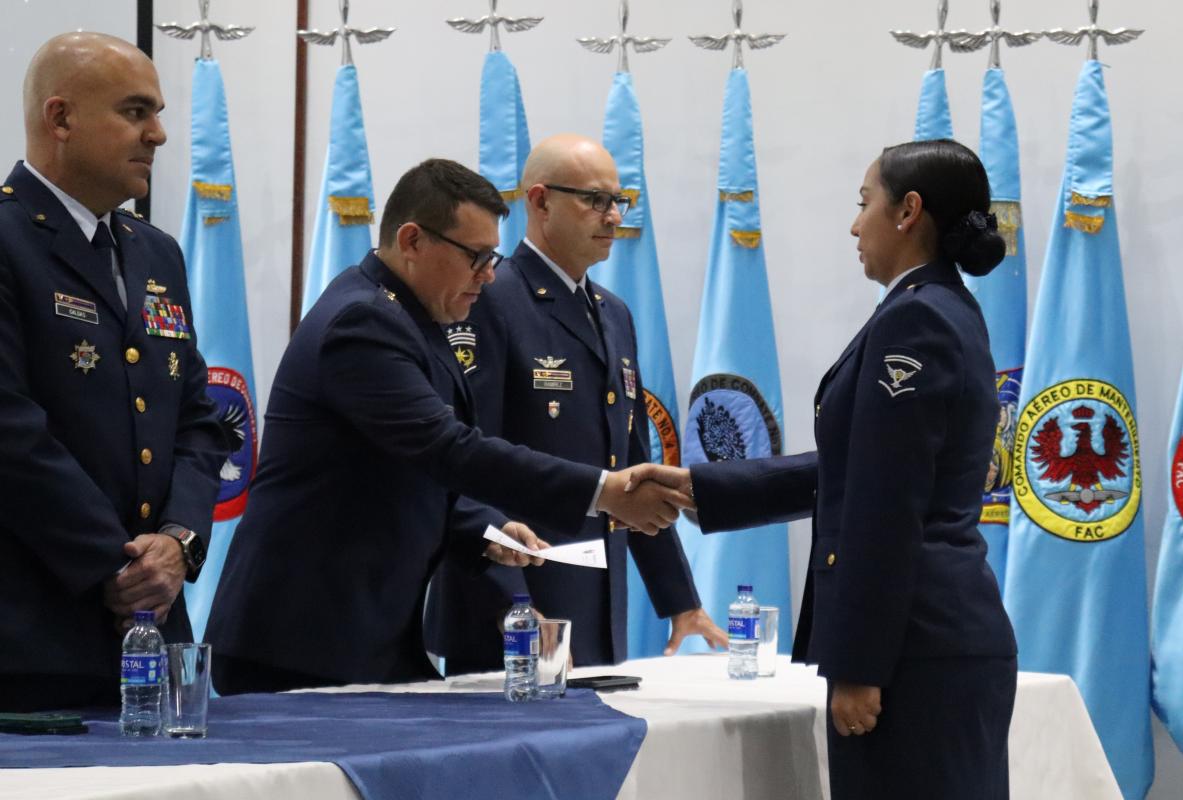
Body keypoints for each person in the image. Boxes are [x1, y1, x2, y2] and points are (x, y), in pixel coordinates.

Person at [205, 158, 692, 694]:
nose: (488, 274)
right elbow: (448, 448)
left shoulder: (417, 318)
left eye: (494, 257)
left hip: (368, 637)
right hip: (301, 642)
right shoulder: (362, 321)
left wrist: (483, 528)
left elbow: (406, 466)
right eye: (476, 257)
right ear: (412, 240)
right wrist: (602, 490)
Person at [675, 140, 1019, 798]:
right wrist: (702, 487)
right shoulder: (938, 307)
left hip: (913, 651)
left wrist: (860, 667)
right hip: (931, 642)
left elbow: (886, 505)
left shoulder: (915, 318)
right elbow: (861, 468)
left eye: (865, 204)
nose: (854, 224)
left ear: (908, 211)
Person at [426, 135, 726, 672]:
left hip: (596, 604)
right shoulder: (490, 299)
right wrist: (512, 602)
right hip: (517, 608)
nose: (613, 216)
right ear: (539, 202)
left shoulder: (613, 313)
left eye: (618, 200)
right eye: (594, 200)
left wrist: (680, 601)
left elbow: (631, 469)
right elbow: (469, 461)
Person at [0, 32, 230, 712]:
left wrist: (178, 544)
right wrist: (119, 564)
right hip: (32, 635)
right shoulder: (8, 242)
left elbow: (199, 419)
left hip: (151, 635)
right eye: (135, 112)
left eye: (157, 113)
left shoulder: (156, 254)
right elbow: (10, 432)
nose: (158, 134)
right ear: (60, 118)